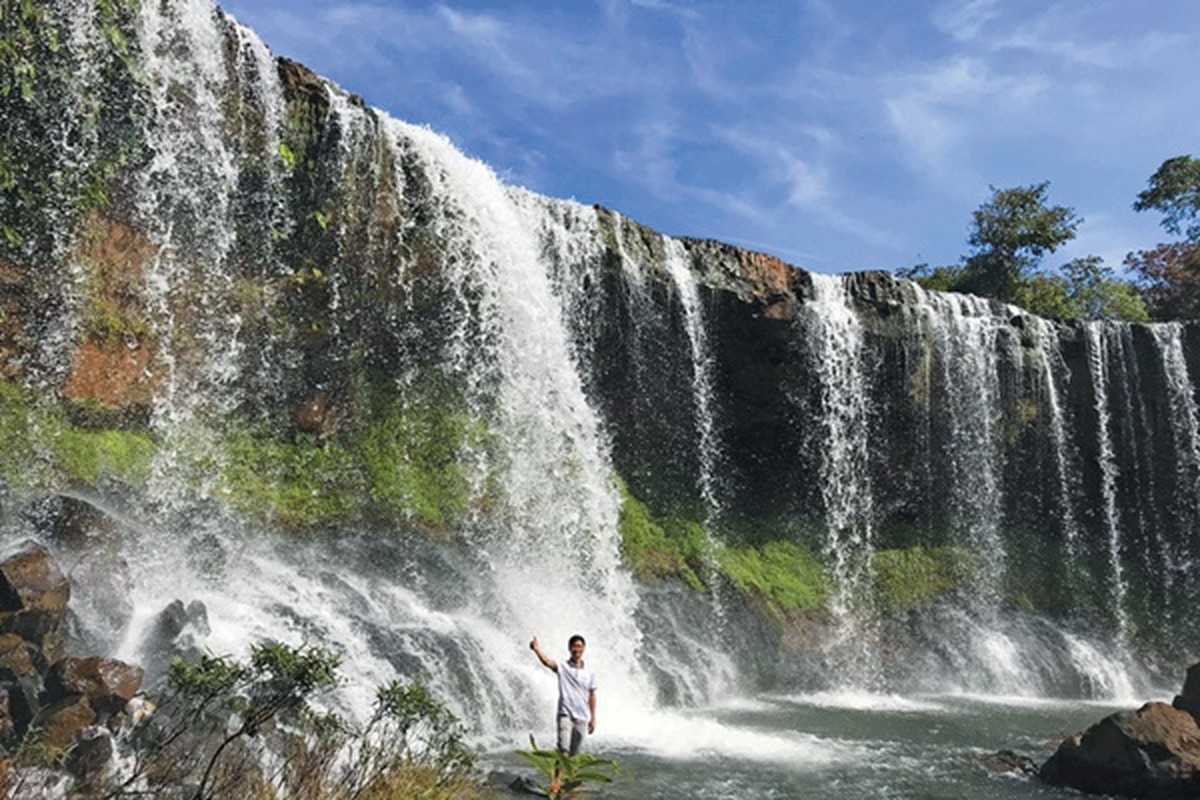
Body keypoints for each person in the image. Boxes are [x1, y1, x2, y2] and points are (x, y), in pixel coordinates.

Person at [529, 634, 597, 755]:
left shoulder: (590, 672)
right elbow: (547, 662)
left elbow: (592, 695)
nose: (577, 649)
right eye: (574, 646)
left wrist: (593, 718)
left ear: (584, 649)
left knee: (574, 755)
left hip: (581, 718)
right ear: (569, 648)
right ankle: (558, 775)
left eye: (580, 646)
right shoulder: (563, 666)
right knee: (563, 750)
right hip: (565, 714)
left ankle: (566, 774)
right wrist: (537, 650)